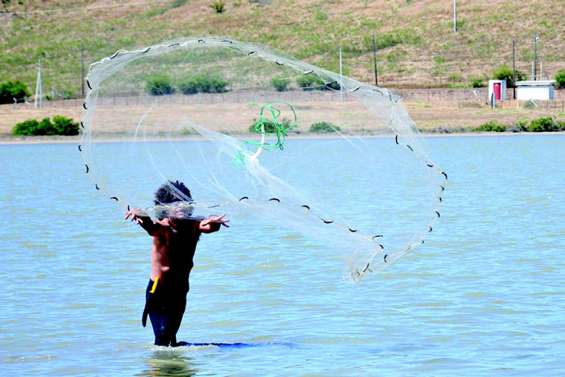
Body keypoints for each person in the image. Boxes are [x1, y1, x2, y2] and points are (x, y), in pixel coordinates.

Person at [125, 180, 229, 346]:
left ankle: (176, 366)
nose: (181, 206)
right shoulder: (162, 226)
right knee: (162, 338)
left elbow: (208, 227)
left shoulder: (193, 225)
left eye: (184, 202)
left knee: (171, 337)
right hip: (158, 289)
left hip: (180, 291)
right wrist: (140, 214)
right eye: (175, 203)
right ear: (164, 208)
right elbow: (149, 226)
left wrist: (215, 223)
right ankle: (156, 369)